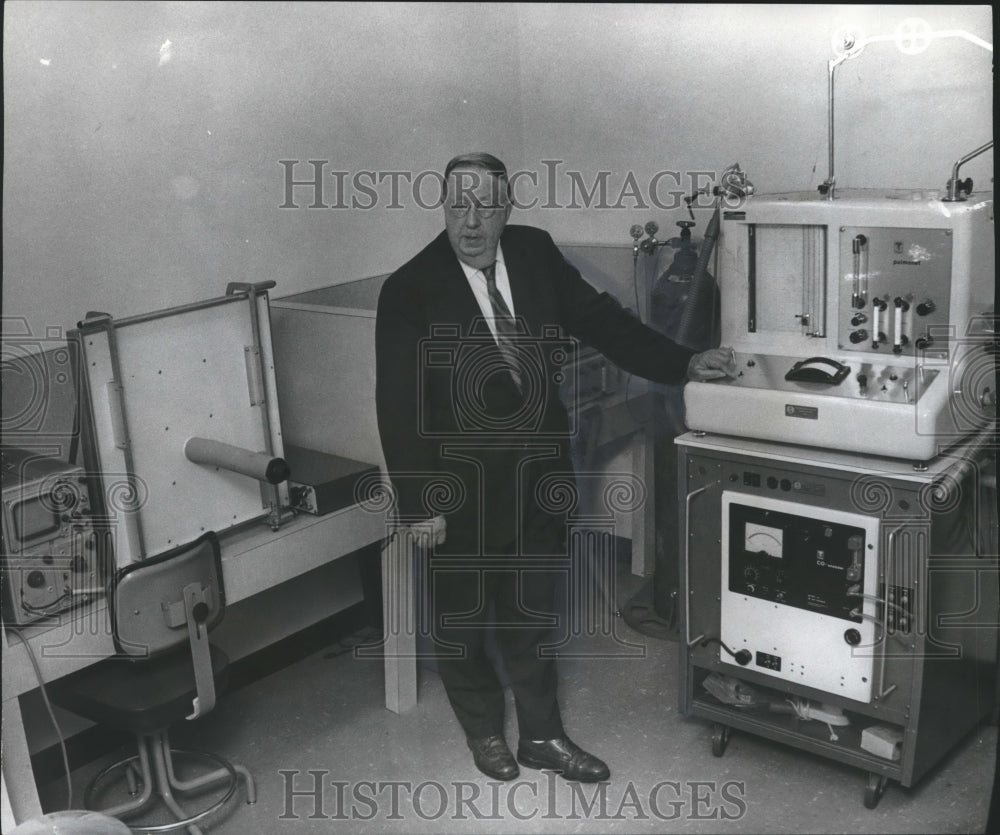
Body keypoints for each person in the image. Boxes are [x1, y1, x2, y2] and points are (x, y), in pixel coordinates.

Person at [375, 152, 735, 783]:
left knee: (531, 613)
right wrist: (418, 502)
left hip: (539, 477)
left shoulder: (534, 252)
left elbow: (604, 322)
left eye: (485, 206)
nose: (472, 222)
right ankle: (485, 731)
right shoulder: (409, 289)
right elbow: (397, 402)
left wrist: (682, 362)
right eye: (458, 205)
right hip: (459, 492)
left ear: (507, 207)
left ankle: (542, 736)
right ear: (443, 208)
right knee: (462, 618)